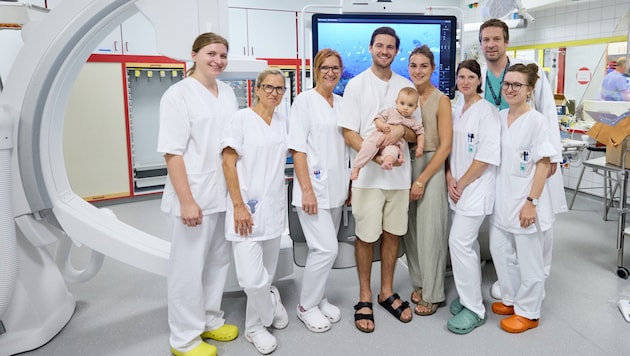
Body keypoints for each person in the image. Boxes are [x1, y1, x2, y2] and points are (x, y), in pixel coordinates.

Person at [157, 32, 239, 356]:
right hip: (193, 194)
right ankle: (184, 337)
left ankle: (210, 318)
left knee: (218, 261)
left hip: (222, 193)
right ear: (194, 54)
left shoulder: (228, 93)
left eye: (222, 55)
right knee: (187, 269)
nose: (217, 60)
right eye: (211, 53)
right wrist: (187, 200)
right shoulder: (177, 95)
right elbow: (171, 153)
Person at [477, 18, 566, 300]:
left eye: (496, 39)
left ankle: (536, 282)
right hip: (499, 157)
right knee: (502, 223)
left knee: (534, 225)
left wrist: (552, 155)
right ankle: (510, 281)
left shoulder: (529, 74)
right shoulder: (478, 74)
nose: (491, 44)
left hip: (531, 155)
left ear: (506, 42)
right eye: (485, 40)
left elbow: (548, 113)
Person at [338, 26, 418, 333]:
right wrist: (375, 157)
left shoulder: (405, 86)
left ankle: (386, 292)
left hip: (398, 179)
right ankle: (364, 296)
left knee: (393, 235)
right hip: (368, 179)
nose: (384, 51)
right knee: (365, 237)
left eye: (390, 47)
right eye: (379, 46)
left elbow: (414, 131)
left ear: (396, 52)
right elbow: (349, 132)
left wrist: (400, 133)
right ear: (371, 48)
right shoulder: (357, 85)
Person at [221, 67, 289, 355]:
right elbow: (228, 161)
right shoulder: (241, 119)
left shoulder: (283, 121)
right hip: (245, 208)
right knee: (251, 278)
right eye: (269, 87)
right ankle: (270, 305)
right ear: (257, 89)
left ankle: (254, 328)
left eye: (280, 89)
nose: (274, 92)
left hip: (273, 207)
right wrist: (238, 205)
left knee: (266, 273)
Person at [490, 63, 556, 333]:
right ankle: (512, 298)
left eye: (517, 85)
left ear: (529, 90)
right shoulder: (500, 116)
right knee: (500, 250)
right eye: (507, 84)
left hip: (526, 200)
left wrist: (532, 202)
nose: (510, 89)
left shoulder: (536, 121)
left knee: (530, 260)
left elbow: (543, 164)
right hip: (503, 198)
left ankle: (529, 312)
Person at [288, 48, 349, 333]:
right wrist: (307, 190)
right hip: (312, 191)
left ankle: (319, 297)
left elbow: (346, 147)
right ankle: (305, 307)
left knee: (322, 249)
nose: (330, 72)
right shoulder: (303, 101)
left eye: (335, 67)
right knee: (326, 248)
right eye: (325, 67)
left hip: (336, 189)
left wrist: (348, 184)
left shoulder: (341, 102)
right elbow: (298, 150)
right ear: (316, 69)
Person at [445, 59, 501, 335]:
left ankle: (476, 309)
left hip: (475, 189)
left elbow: (486, 158)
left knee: (459, 242)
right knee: (469, 247)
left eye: (470, 77)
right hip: (456, 187)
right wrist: (449, 178)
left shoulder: (487, 112)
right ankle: (469, 297)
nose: (465, 81)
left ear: (479, 80)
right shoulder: (456, 109)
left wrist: (463, 182)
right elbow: (449, 148)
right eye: (461, 77)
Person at [402, 44, 452, 316]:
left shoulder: (440, 100)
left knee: (431, 232)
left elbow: (445, 146)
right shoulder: (406, 97)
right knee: (411, 232)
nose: (418, 70)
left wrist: (421, 179)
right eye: (413, 65)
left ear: (432, 69)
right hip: (406, 164)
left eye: (423, 65)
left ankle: (433, 293)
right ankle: (420, 282)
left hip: (430, 167)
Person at [350, 87, 424, 180]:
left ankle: (387, 162)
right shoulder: (390, 111)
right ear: (396, 102)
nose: (405, 108)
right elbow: (377, 119)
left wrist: (420, 147)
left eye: (410, 105)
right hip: (378, 137)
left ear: (415, 107)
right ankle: (357, 168)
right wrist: (382, 126)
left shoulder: (413, 121)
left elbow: (420, 133)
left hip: (394, 144)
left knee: (392, 152)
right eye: (402, 103)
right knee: (367, 148)